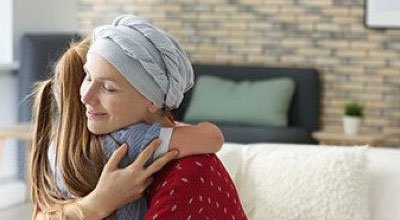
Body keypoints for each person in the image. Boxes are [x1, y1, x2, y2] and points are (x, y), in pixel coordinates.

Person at [30, 15, 247, 220]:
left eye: (108, 88)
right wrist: (97, 204)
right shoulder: (79, 143)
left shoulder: (180, 168)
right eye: (88, 76)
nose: (85, 97)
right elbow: (212, 136)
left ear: (152, 101)